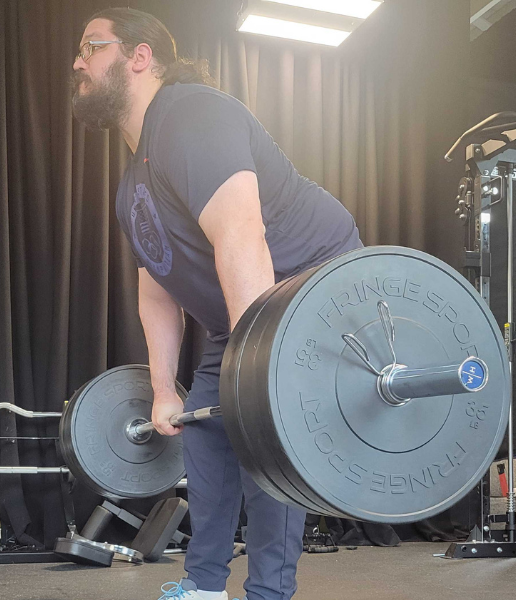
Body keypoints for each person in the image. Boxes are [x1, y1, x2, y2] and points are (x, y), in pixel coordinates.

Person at [70, 8, 362, 600]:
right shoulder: (133, 186)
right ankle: (205, 585)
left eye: (91, 46)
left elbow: (240, 234)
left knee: (263, 444)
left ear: (140, 56)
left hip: (312, 290)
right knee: (203, 431)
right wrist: (159, 387)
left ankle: (268, 594)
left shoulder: (191, 114)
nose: (77, 61)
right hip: (242, 314)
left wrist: (260, 376)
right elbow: (157, 284)